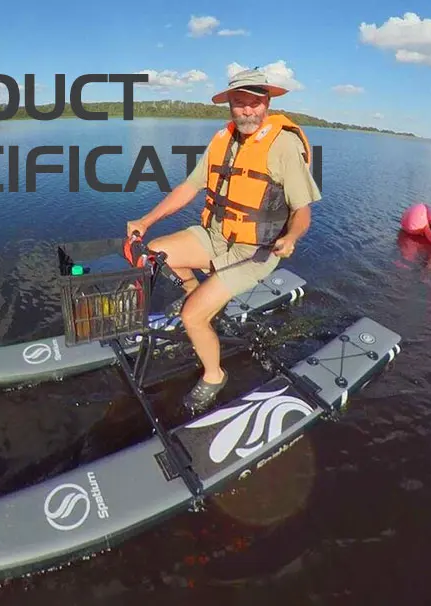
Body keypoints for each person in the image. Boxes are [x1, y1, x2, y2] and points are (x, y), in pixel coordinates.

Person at [126, 68, 321, 413]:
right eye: (239, 103)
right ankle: (195, 294)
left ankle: (214, 375)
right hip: (216, 236)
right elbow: (189, 187)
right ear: (230, 105)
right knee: (155, 252)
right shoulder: (222, 139)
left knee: (192, 318)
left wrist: (291, 236)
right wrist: (146, 221)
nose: (247, 110)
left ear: (267, 103)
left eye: (255, 103)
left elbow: (302, 210)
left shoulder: (283, 145)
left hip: (255, 250)